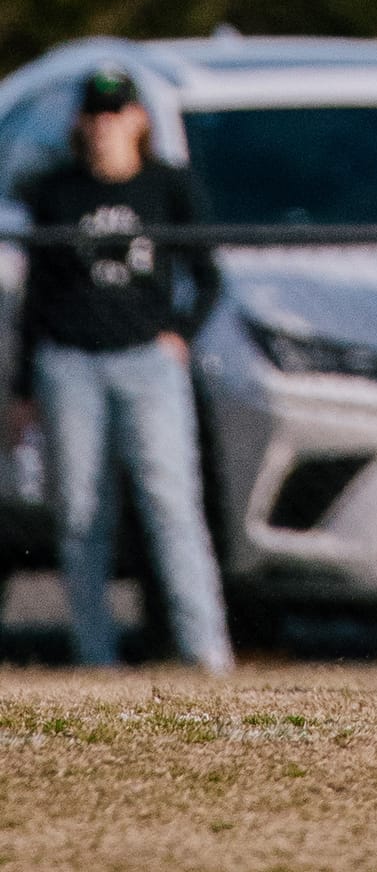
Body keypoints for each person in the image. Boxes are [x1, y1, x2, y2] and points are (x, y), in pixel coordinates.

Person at [10, 68, 232, 674]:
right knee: (81, 514)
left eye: (117, 112)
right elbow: (36, 295)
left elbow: (208, 276)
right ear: (83, 122)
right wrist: (24, 388)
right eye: (96, 113)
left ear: (138, 119)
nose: (106, 124)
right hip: (70, 364)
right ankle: (95, 657)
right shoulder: (56, 191)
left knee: (170, 503)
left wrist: (177, 337)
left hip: (147, 363)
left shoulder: (168, 186)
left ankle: (206, 653)